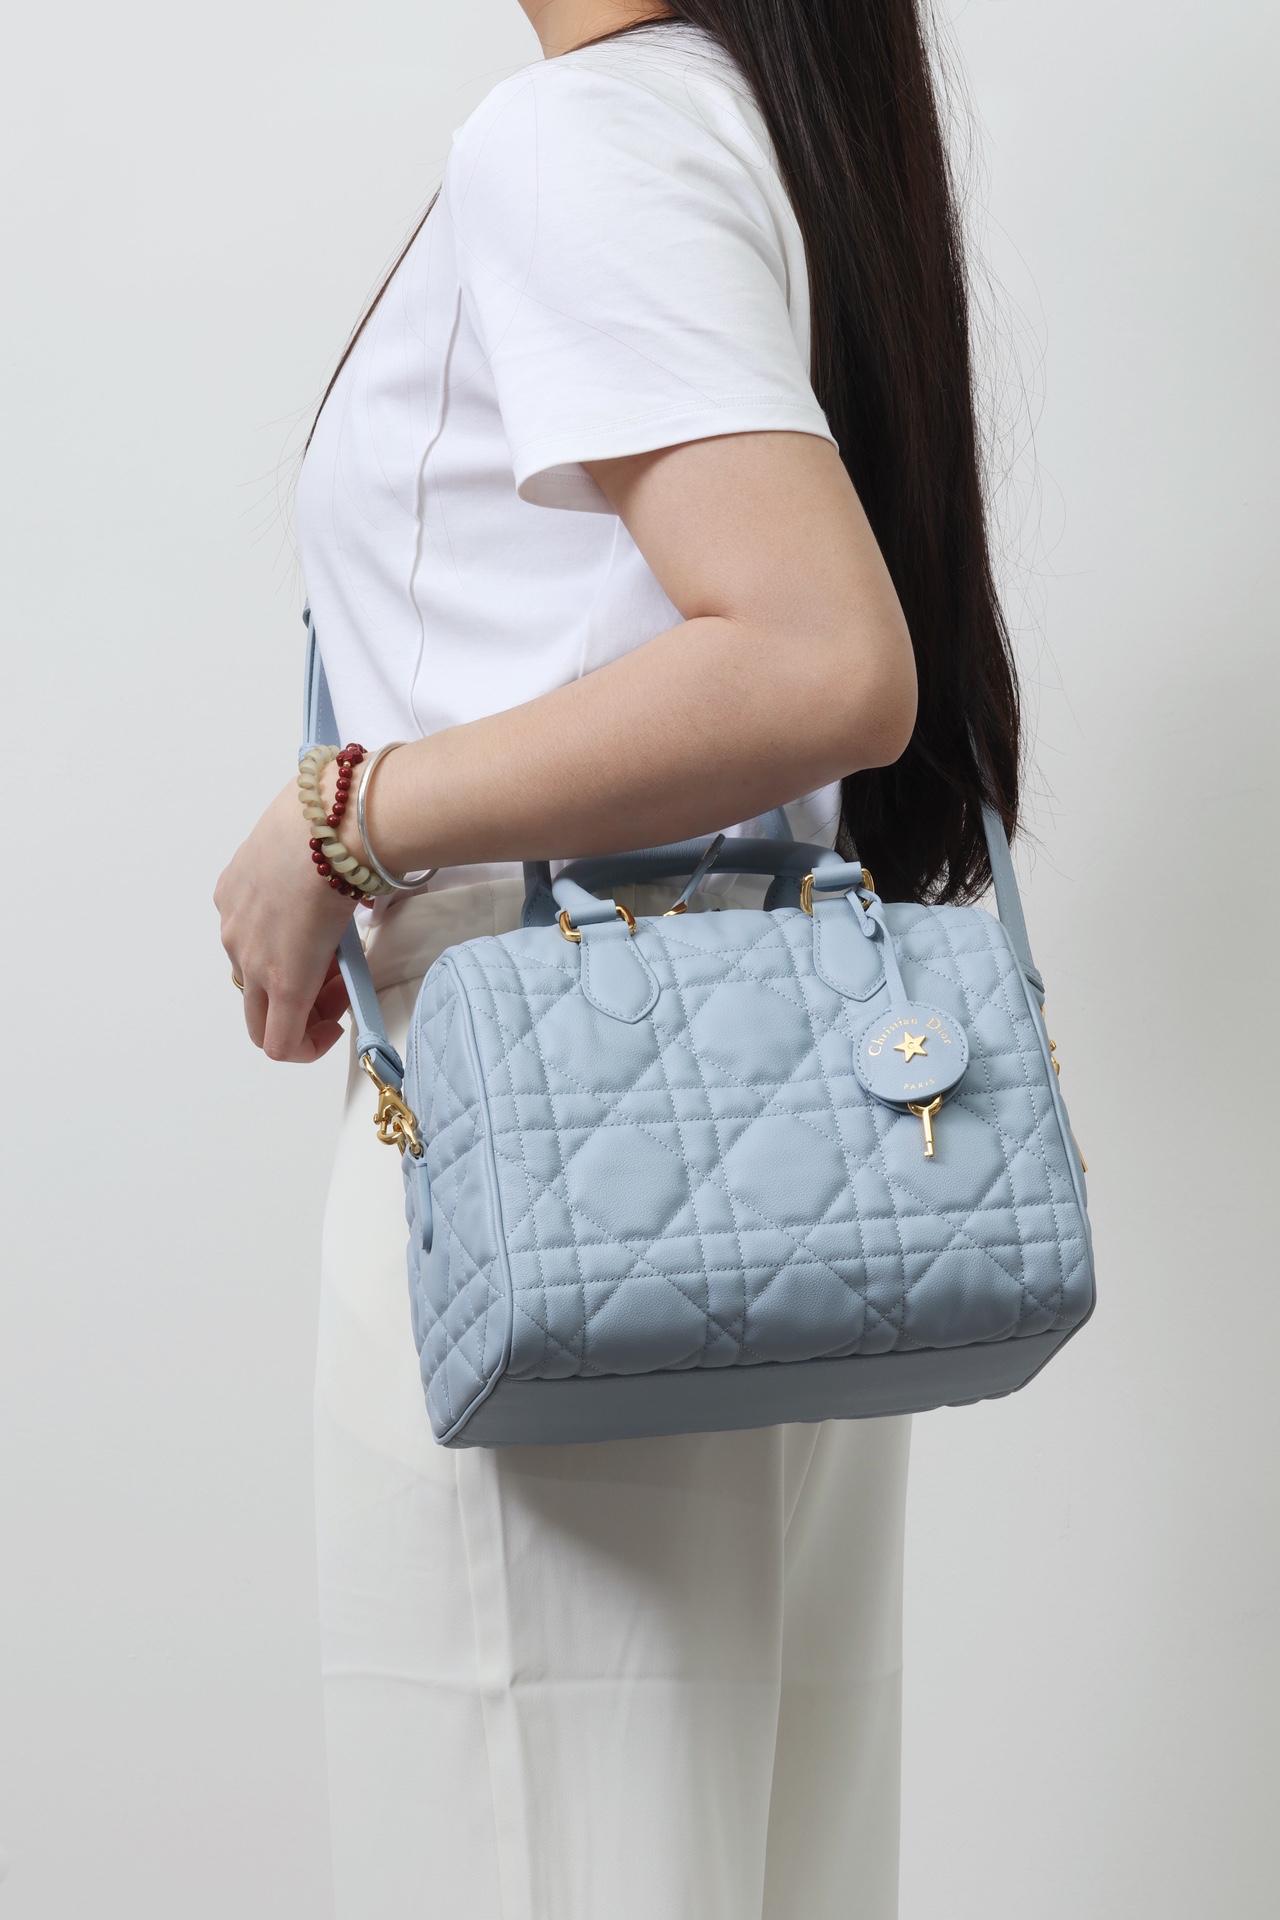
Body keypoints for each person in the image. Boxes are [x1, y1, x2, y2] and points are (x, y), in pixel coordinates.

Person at [215, 1, 1021, 1914]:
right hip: (768, 1149)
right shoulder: (757, 119)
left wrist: (346, 813)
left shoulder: (580, 136)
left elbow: (820, 661)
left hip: (546, 1160)